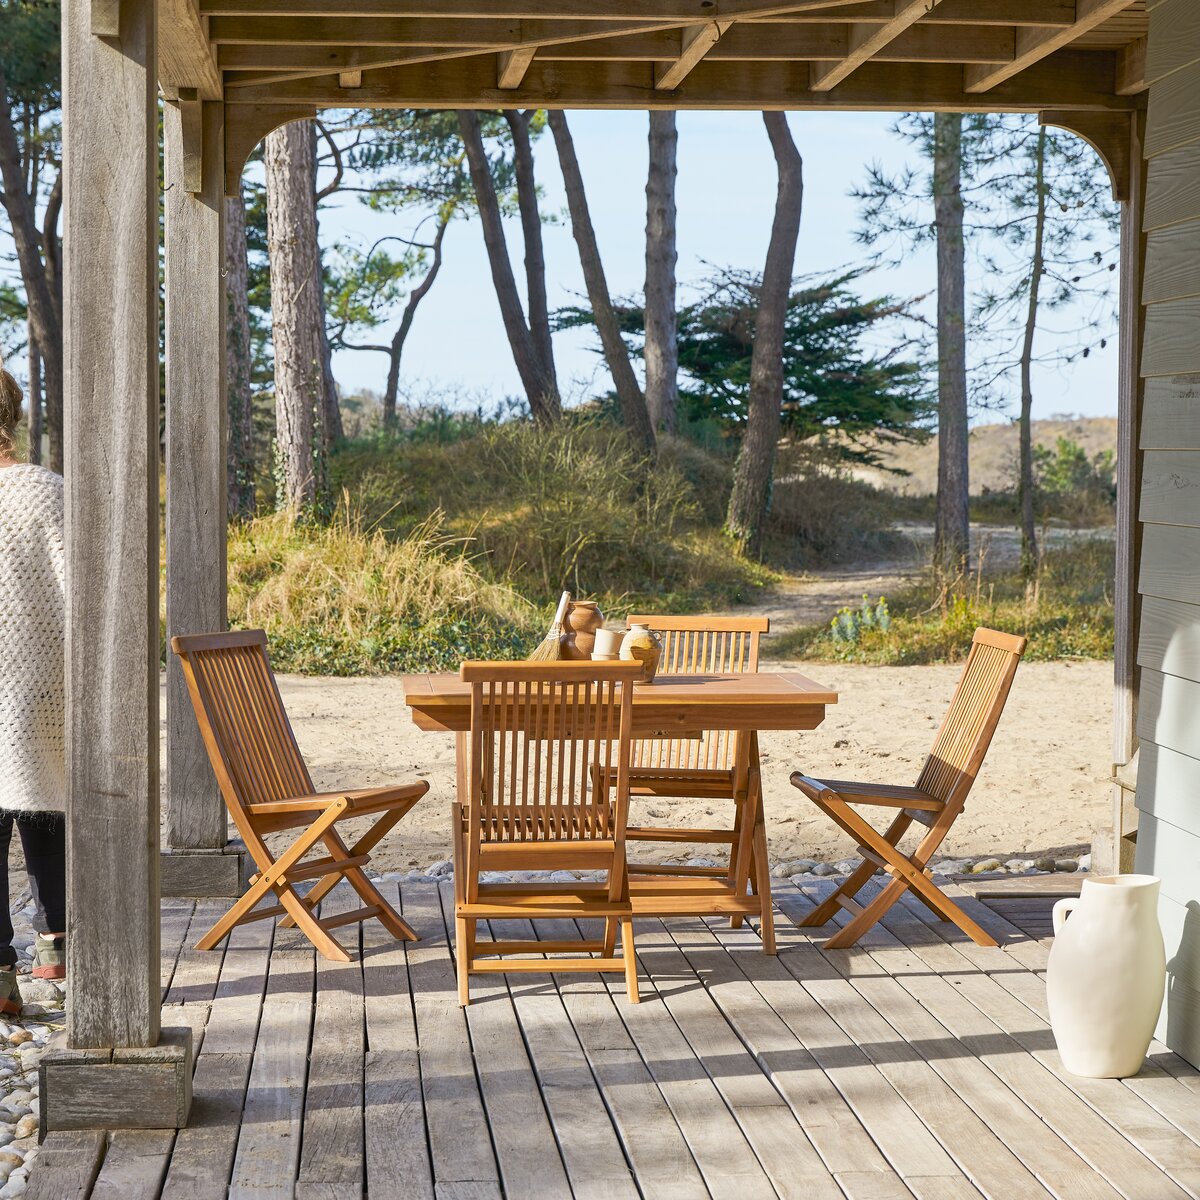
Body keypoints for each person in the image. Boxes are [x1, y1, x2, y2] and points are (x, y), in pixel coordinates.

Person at [0, 367, 66, 1014]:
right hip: (45, 682)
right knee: (47, 808)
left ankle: (0, 978)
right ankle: (55, 947)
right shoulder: (53, 492)